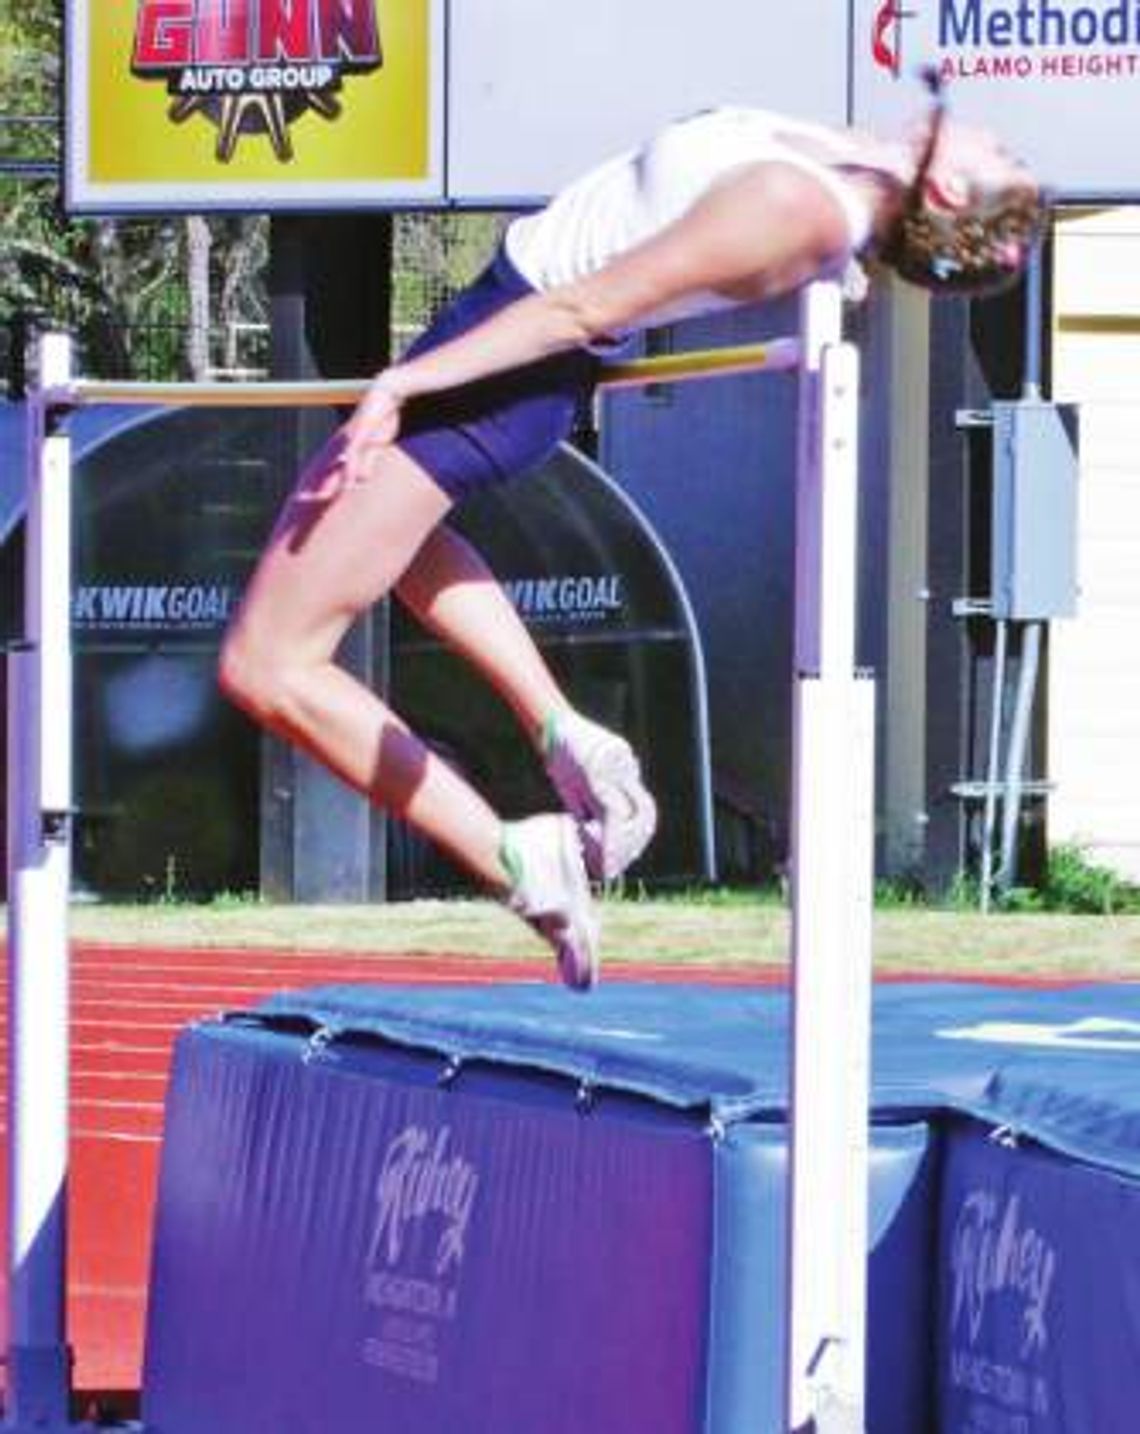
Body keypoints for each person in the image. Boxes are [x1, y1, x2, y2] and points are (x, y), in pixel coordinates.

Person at [219, 81, 1042, 992]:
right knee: (401, 554)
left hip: (508, 364)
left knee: (269, 664)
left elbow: (584, 308)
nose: (993, 135)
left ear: (951, 193)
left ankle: (513, 857)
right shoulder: (839, 168)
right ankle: (562, 728)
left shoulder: (801, 207)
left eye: (997, 156)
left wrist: (403, 385)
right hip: (501, 348)